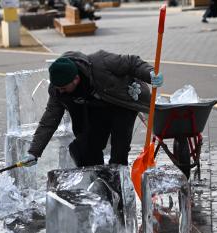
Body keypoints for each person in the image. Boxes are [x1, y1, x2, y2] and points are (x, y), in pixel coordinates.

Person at [19, 50, 163, 168]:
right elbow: (48, 121)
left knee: (119, 151)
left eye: (63, 88)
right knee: (83, 148)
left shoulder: (101, 62)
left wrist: (150, 73)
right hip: (97, 108)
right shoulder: (58, 91)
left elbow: (132, 62)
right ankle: (98, 181)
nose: (60, 91)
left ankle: (119, 184)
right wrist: (34, 152)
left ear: (76, 79)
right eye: (58, 88)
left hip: (122, 102)